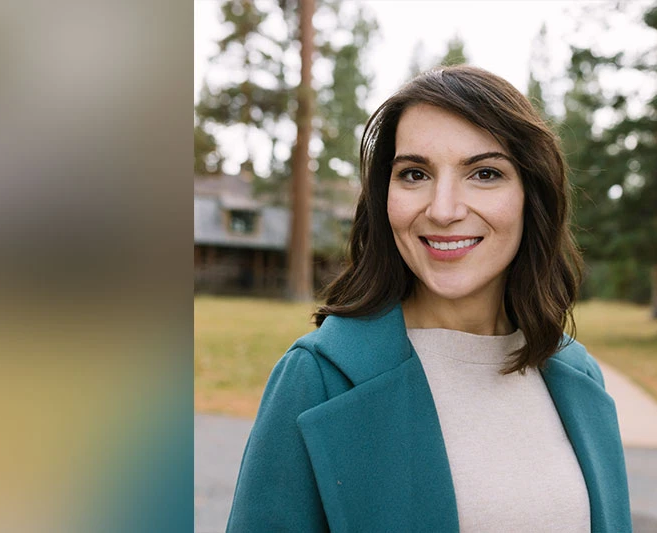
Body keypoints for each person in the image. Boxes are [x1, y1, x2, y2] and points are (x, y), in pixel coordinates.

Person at [226, 65, 632, 533]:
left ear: (530, 194)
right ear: (385, 196)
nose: (443, 210)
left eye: (484, 173)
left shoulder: (578, 375)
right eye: (415, 174)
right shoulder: (318, 378)